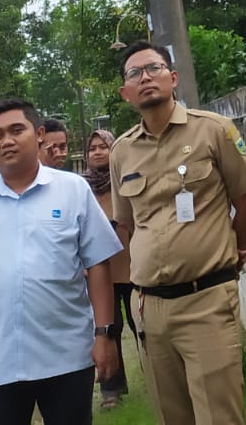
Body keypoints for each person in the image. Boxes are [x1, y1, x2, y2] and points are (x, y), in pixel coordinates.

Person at [109, 41, 246, 425]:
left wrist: (236, 250)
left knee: (218, 416)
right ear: (126, 92)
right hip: (152, 308)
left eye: (154, 69)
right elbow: (128, 223)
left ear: (173, 78)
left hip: (206, 298)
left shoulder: (214, 130)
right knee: (172, 416)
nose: (145, 78)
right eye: (134, 74)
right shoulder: (122, 152)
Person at [0, 98, 121, 424]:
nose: (6, 141)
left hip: (65, 356)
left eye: (16, 130)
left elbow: (99, 264)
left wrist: (104, 334)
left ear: (39, 135)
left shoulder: (73, 190)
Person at [85, 127, 134, 409]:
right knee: (108, 328)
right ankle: (111, 390)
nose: (98, 152)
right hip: (101, 270)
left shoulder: (125, 179)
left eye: (103, 146)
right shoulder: (82, 187)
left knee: (143, 324)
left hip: (133, 262)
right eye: (92, 148)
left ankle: (158, 377)